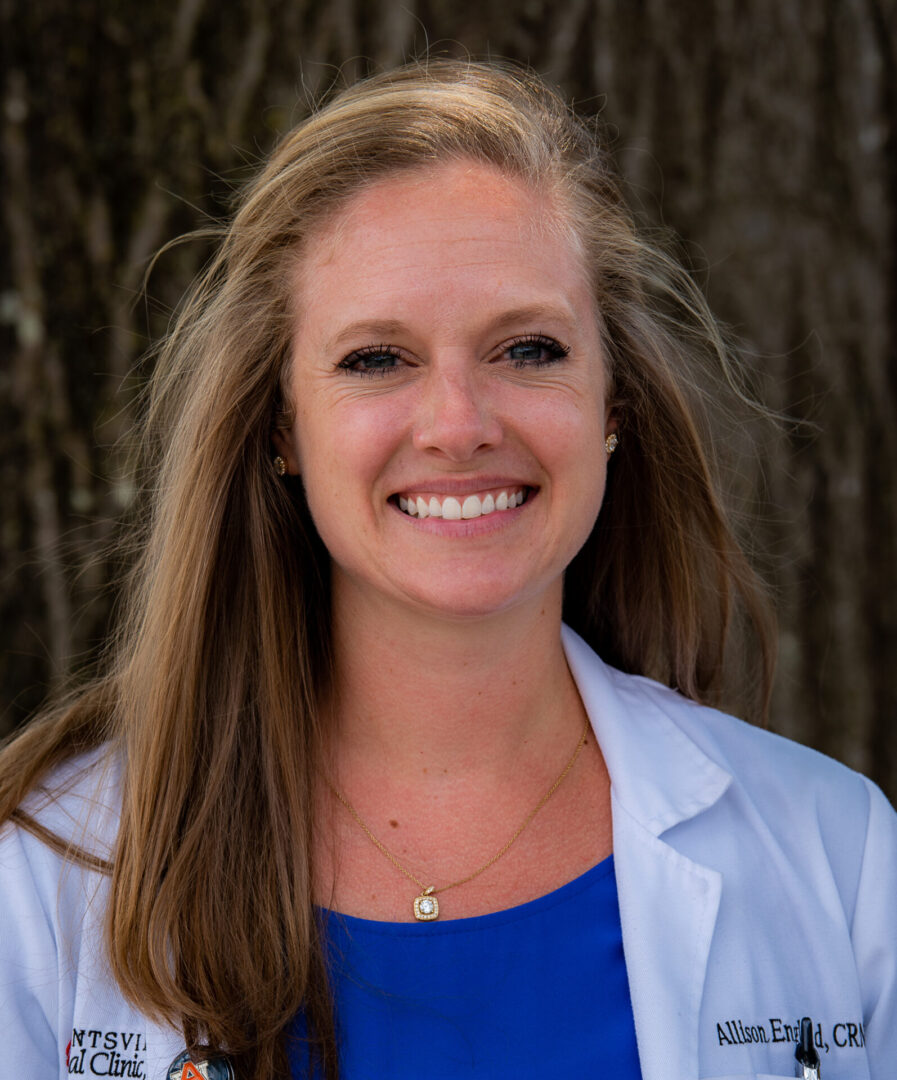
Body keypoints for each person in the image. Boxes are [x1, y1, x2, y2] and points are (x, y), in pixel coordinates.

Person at [1, 59, 894, 1080]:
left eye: (528, 349)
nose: (461, 425)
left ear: (614, 404)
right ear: (281, 427)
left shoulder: (841, 860)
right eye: (378, 359)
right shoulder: (47, 874)